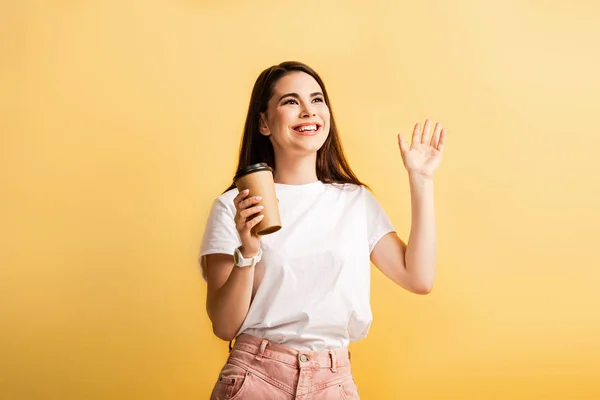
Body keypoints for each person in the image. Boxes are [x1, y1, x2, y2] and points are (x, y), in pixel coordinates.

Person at [198, 61, 446, 400]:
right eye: (290, 102)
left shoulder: (355, 201)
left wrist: (422, 180)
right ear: (263, 123)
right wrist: (249, 251)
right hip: (256, 378)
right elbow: (224, 326)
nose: (308, 111)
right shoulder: (234, 207)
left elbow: (418, 278)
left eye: (317, 100)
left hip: (333, 381)